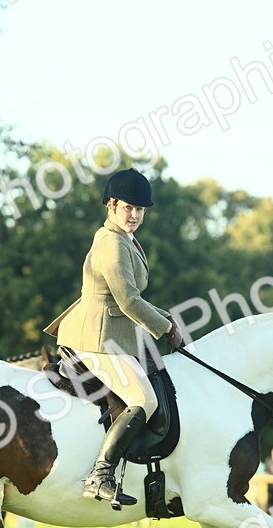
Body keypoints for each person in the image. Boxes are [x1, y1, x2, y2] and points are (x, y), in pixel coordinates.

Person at [43, 168, 184, 507]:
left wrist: (163, 316)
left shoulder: (124, 239)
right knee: (145, 401)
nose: (134, 215)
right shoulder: (112, 243)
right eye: (128, 208)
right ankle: (101, 475)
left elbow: (131, 295)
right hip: (95, 337)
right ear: (111, 205)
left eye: (140, 210)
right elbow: (128, 300)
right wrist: (165, 329)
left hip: (111, 334)